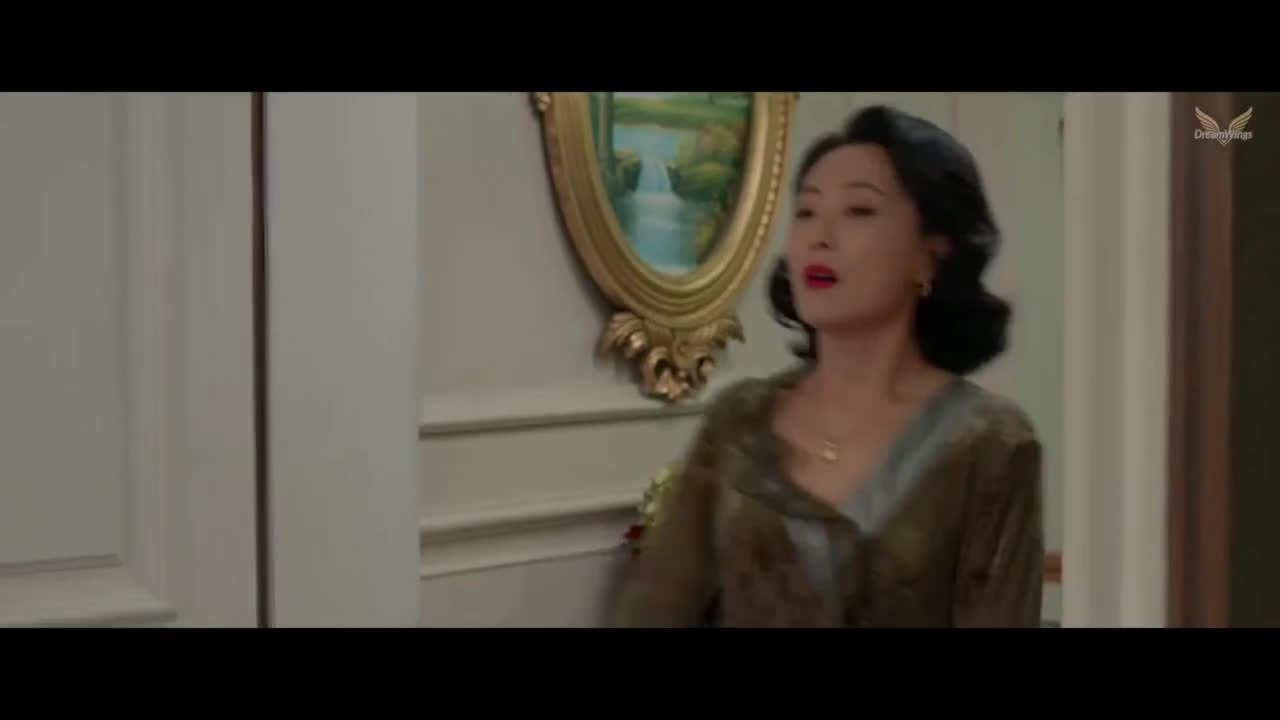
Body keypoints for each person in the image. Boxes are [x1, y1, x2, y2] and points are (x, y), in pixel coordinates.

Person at [609, 105, 1045, 628]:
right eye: (807, 211)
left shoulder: (991, 444)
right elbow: (651, 612)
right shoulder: (738, 421)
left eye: (858, 210)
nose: (820, 236)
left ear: (930, 255)